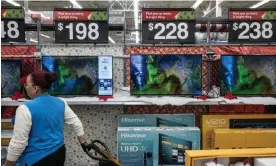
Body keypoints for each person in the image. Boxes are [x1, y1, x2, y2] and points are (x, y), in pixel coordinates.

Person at [4, 71, 90, 166]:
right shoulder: (61, 102)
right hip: (59, 154)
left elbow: (18, 144)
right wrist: (83, 142)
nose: (25, 86)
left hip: (36, 159)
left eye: (26, 84)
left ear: (35, 88)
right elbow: (76, 122)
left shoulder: (25, 109)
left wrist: (8, 164)